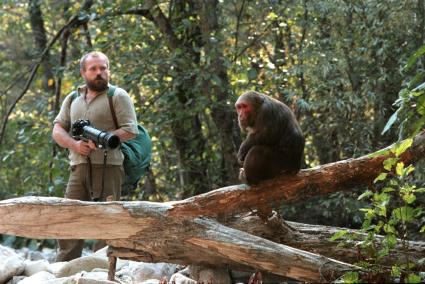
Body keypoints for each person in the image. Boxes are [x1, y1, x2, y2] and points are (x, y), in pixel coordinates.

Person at [52, 51, 139, 261]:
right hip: (78, 167)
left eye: (103, 68)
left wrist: (103, 138)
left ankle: (101, 271)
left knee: (107, 220)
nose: (99, 73)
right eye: (93, 69)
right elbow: (57, 129)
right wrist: (74, 144)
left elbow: (130, 129)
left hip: (109, 167)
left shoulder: (117, 96)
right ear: (83, 72)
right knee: (69, 216)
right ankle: (64, 270)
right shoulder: (73, 98)